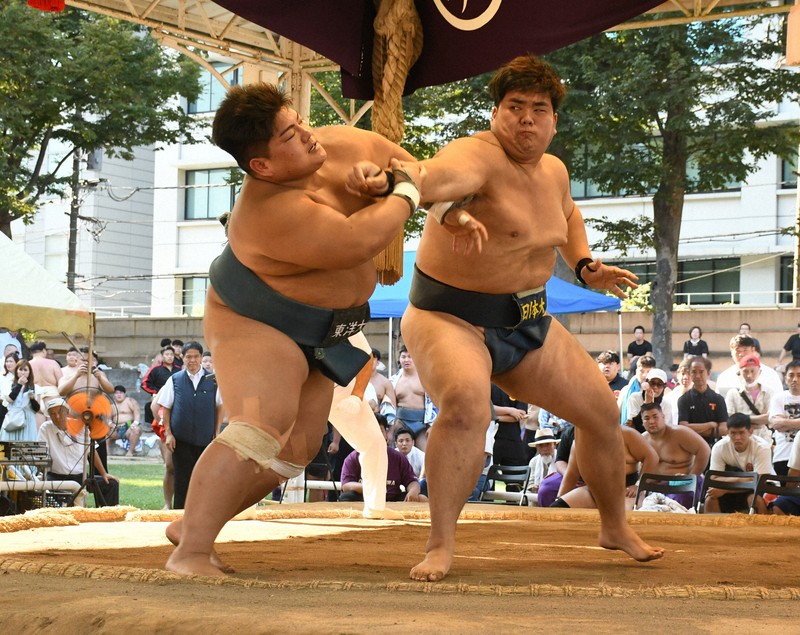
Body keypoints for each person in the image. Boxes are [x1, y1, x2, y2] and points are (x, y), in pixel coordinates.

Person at [165, 82, 484, 577]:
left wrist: (438, 204)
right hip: (256, 319)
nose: (309, 137)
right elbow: (357, 241)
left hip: (326, 328)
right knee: (260, 426)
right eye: (289, 135)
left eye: (300, 123)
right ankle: (189, 554)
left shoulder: (341, 143)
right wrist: (399, 189)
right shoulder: (267, 212)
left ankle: (194, 523)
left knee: (297, 450)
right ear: (262, 166)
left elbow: (422, 169)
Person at [370, 54, 663, 581]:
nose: (526, 119)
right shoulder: (476, 157)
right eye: (515, 107)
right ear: (495, 113)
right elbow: (433, 175)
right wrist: (410, 182)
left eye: (539, 109)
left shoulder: (554, 170)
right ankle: (441, 543)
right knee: (465, 406)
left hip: (527, 319)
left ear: (554, 119)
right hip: (450, 317)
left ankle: (614, 525)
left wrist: (584, 264)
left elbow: (568, 216)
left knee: (601, 411)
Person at [158, 342, 223, 509]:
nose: (192, 360)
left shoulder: (213, 379)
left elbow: (219, 406)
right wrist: (169, 433)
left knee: (205, 479)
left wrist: (216, 431)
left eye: (196, 356)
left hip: (205, 439)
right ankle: (180, 516)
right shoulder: (175, 379)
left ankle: (202, 514)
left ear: (201, 358)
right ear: (182, 358)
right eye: (188, 357)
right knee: (182, 480)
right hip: (181, 440)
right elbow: (166, 407)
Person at [555, 426, 659, 511]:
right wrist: (558, 499)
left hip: (626, 490)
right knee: (558, 508)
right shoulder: (579, 443)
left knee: (624, 519)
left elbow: (652, 457)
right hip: (593, 491)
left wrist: (638, 486)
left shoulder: (627, 434)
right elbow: (571, 475)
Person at [39, 397, 118, 505]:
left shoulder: (80, 426)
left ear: (67, 412)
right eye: (52, 413)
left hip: (80, 477)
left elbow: (91, 451)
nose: (57, 416)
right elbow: (42, 453)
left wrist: (103, 473)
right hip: (56, 476)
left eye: (60, 412)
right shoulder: (46, 428)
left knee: (111, 484)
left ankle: (108, 517)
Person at [641, 402, 710, 509]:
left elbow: (704, 450)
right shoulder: (642, 440)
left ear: (663, 417)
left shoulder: (680, 433)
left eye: (655, 417)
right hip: (656, 487)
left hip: (683, 485)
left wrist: (691, 477)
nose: (651, 421)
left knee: (675, 507)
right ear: (642, 422)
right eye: (646, 418)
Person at [704, 413, 772, 514]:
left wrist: (726, 489)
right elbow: (713, 479)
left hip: (759, 488)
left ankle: (763, 529)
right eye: (733, 433)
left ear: (750, 432)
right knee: (710, 499)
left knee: (755, 500)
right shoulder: (719, 447)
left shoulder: (762, 447)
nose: (737, 437)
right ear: (727, 432)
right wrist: (748, 478)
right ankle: (712, 529)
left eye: (741, 433)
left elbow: (759, 481)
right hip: (732, 487)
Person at [339, 445, 427, 503]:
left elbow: (412, 481)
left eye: (380, 431)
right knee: (346, 498)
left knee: (421, 498)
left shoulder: (397, 457)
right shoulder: (352, 458)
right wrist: (370, 488)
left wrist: (413, 491)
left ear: (386, 435)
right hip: (364, 499)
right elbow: (346, 485)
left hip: (392, 499)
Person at [677, 356, 728, 448]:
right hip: (691, 447)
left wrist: (693, 429)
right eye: (693, 372)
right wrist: (709, 425)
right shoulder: (684, 400)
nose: (697, 376)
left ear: (708, 373)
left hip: (715, 447)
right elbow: (683, 427)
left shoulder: (718, 399)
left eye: (701, 372)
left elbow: (724, 429)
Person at [723, 354, 774, 445]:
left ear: (759, 372)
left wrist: (742, 418)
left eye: (752, 371)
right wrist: (759, 420)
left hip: (763, 440)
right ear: (739, 372)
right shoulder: (733, 394)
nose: (749, 375)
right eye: (745, 371)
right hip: (739, 441)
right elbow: (730, 419)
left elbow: (770, 418)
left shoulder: (768, 393)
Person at [715, 335, 783, 398]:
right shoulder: (725, 376)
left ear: (753, 350)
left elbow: (779, 400)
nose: (741, 354)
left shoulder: (770, 374)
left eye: (745, 350)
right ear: (731, 353)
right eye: (737, 351)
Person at [390, 347, 430, 449]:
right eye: (403, 357)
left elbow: (435, 403)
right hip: (401, 422)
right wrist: (390, 428)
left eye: (410, 357)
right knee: (400, 457)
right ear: (399, 359)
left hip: (422, 424)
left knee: (424, 456)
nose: (406, 360)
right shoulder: (394, 380)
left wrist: (432, 425)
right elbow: (390, 406)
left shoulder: (426, 378)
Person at [767, 360, 800, 476]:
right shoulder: (778, 398)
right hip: (783, 456)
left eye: (799, 375)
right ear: (786, 378)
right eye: (791, 375)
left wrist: (784, 422)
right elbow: (776, 425)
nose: (795, 379)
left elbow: (780, 423)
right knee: (785, 492)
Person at [0, 359, 41, 441]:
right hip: (12, 418)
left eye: (25, 370)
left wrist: (32, 399)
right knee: (8, 450)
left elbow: (37, 409)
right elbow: (10, 400)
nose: (23, 372)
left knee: (26, 450)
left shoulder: (35, 387)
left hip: (28, 420)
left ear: (29, 372)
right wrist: (19, 385)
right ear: (16, 371)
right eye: (20, 369)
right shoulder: (8, 384)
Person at [625, 368, 673, 433]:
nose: (655, 387)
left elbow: (663, 430)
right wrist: (646, 404)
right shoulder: (635, 398)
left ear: (664, 386)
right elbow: (633, 425)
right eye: (652, 383)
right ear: (647, 383)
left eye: (659, 384)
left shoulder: (666, 405)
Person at [108, 385, 142, 457]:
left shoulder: (129, 401)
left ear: (124, 394)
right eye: (116, 393)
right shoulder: (112, 406)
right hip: (116, 428)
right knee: (103, 430)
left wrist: (135, 423)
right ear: (114, 395)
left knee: (136, 430)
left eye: (121, 393)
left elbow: (137, 412)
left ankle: (130, 452)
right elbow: (108, 419)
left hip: (129, 427)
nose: (119, 395)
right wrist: (111, 424)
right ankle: (107, 453)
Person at [526, 428, 558, 494]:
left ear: (554, 445)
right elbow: (529, 483)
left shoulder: (561, 459)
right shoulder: (534, 461)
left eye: (548, 444)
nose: (545, 449)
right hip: (536, 493)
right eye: (541, 445)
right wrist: (534, 487)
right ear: (536, 447)